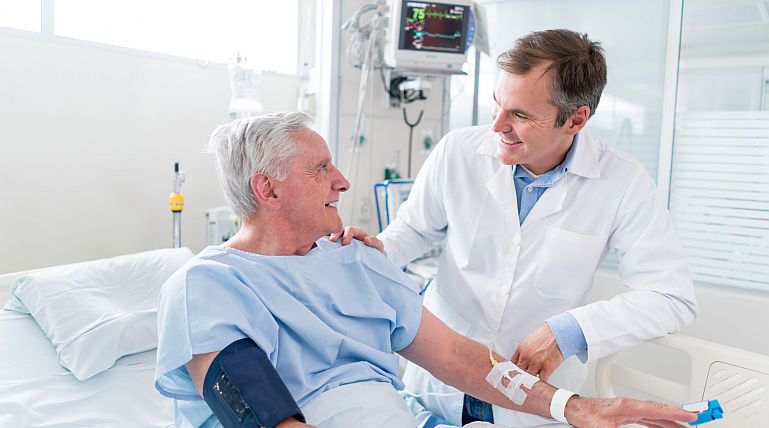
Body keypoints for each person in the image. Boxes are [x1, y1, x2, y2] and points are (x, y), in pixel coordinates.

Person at [154, 112, 697, 428]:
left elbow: (464, 359)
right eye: (321, 168)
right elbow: (265, 415)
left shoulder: (357, 264)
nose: (343, 181)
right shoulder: (206, 285)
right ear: (268, 190)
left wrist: (574, 408)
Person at [331, 29, 698, 427]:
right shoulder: (458, 151)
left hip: (531, 400)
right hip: (441, 384)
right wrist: (382, 249)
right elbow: (415, 229)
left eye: (520, 115)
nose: (497, 125)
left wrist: (570, 330)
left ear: (575, 119)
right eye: (497, 104)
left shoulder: (622, 181)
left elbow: (671, 296)